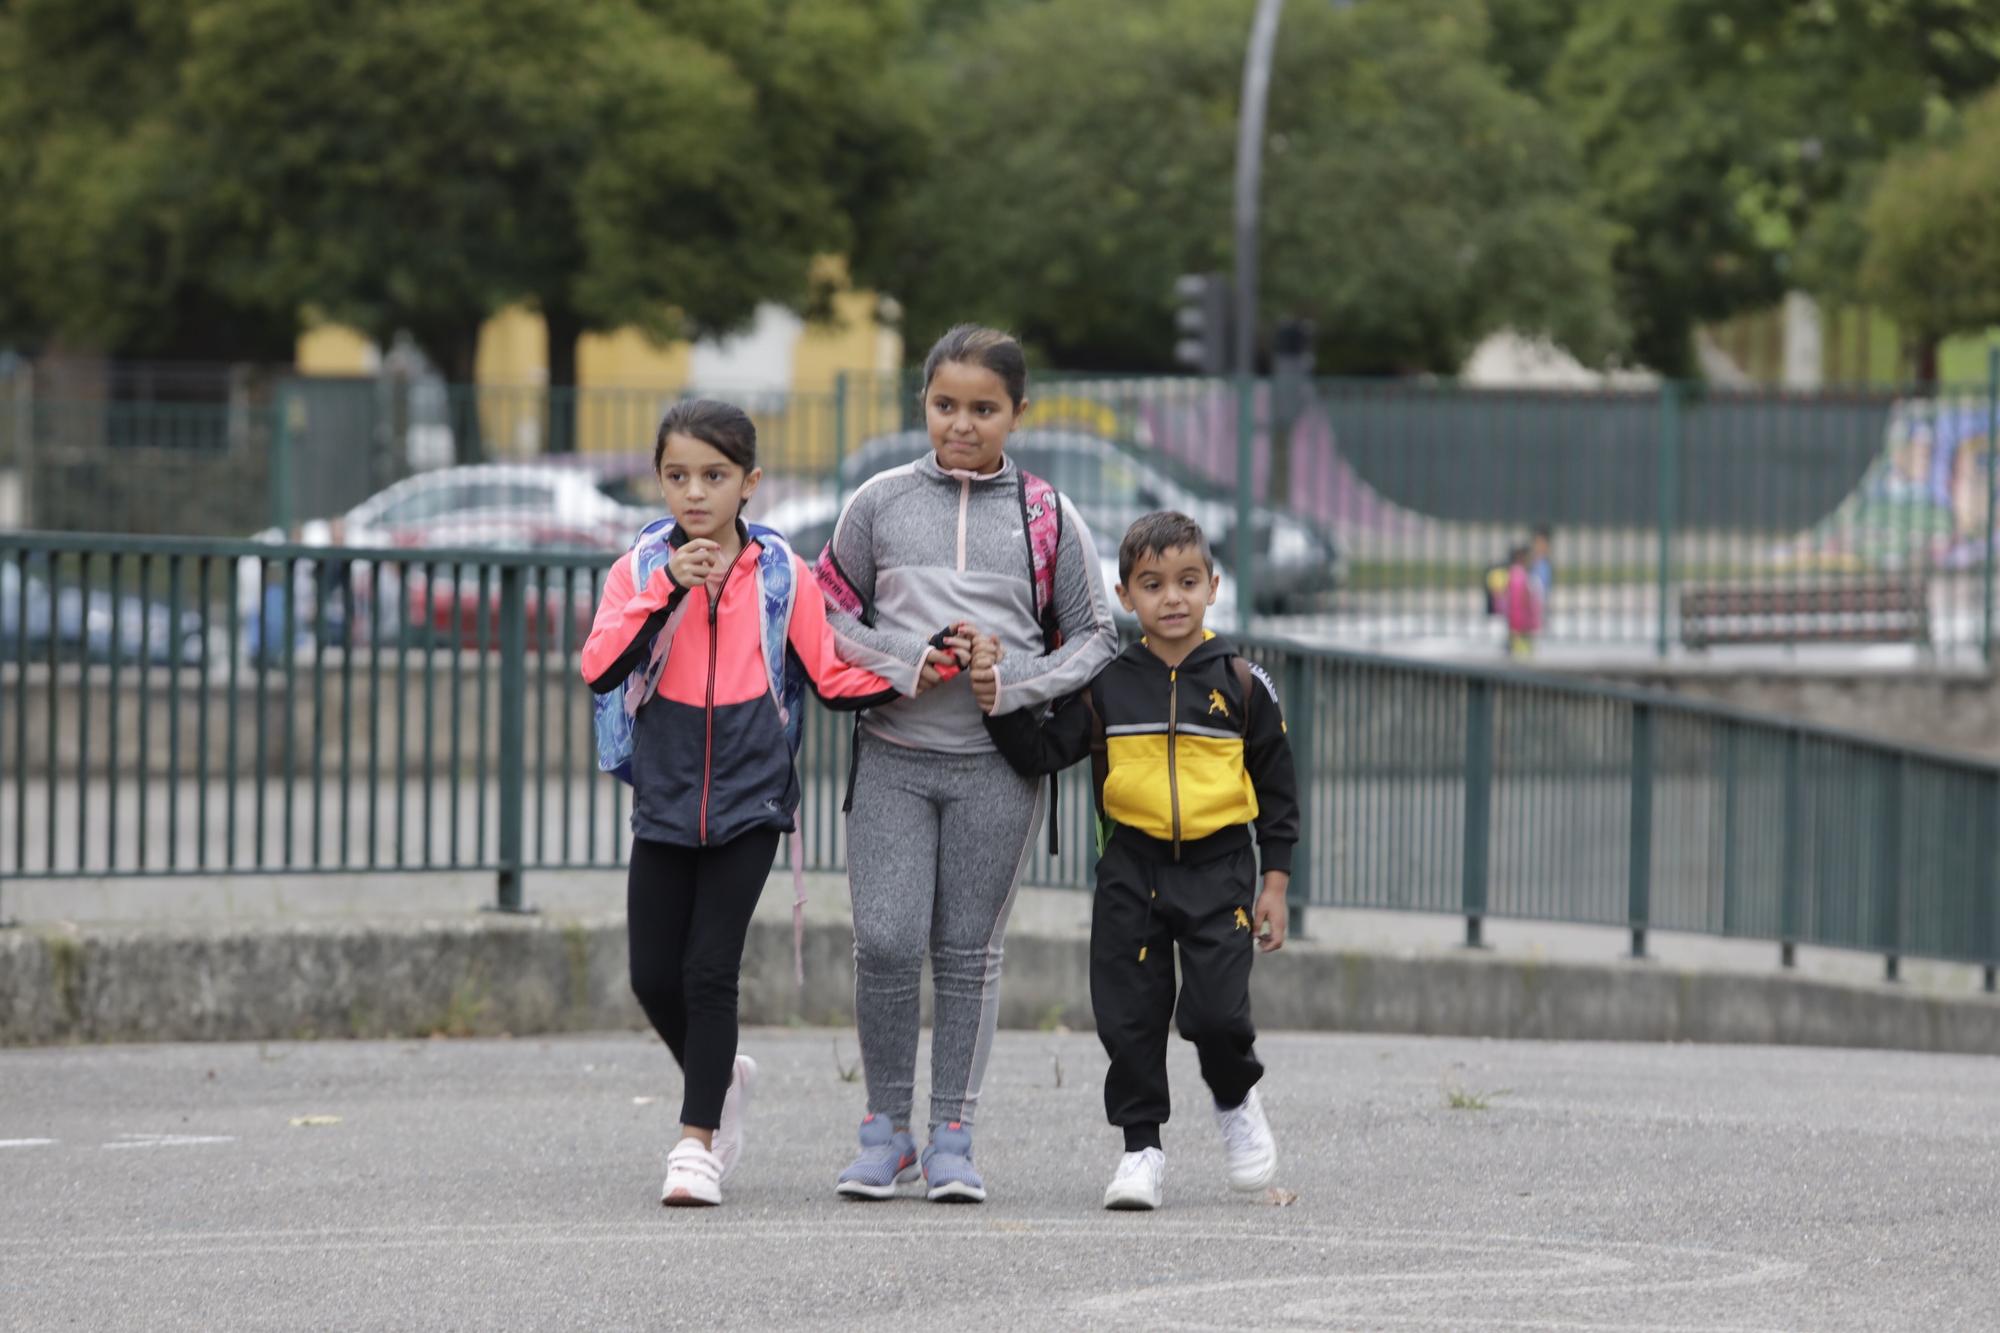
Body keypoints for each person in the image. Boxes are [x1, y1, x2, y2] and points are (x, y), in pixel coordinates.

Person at [814, 324, 1119, 1203]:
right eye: (946, 405)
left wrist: (1007, 676)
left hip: (997, 771)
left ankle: (952, 1135)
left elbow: (1099, 635)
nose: (962, 424)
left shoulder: (1049, 516)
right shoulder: (876, 503)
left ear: (1018, 413)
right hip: (893, 759)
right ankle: (884, 1130)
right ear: (924, 404)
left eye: (984, 409)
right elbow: (826, 614)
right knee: (885, 941)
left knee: (966, 953)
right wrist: (910, 658)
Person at [581, 399, 900, 1208]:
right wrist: (664, 592)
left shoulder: (782, 573)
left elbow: (828, 672)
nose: (695, 493)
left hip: (753, 793)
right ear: (659, 480)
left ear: (750, 483)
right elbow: (599, 665)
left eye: (714, 476)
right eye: (678, 475)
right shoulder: (639, 567)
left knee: (707, 968)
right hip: (666, 787)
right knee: (653, 975)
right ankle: (720, 1079)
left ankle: (696, 1145)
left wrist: (912, 671)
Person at [976, 510, 1298, 1211]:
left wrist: (1275, 884)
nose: (1172, 597)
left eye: (1187, 580)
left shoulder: (1244, 684)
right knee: (1129, 1015)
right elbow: (1042, 751)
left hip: (1220, 870)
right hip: (1131, 868)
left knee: (1216, 1012)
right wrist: (995, 700)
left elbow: (1277, 793)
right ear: (1126, 597)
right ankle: (1140, 1149)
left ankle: (1235, 1096)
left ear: (1213, 586)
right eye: (1152, 584)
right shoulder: (1107, 684)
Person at [1505, 544, 1542, 659]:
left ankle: (1516, 651)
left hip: (1515, 613)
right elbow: (1524, 594)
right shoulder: (1521, 573)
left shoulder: (1512, 572)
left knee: (1516, 637)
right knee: (1523, 638)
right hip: (1521, 614)